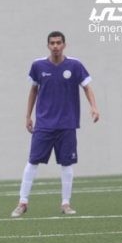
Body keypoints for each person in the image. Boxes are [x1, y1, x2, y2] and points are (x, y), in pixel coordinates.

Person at [11, 31, 99, 218]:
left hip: (67, 123)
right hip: (44, 123)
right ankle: (22, 202)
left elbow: (87, 87)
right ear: (48, 46)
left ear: (64, 45)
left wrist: (94, 107)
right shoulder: (38, 65)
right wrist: (28, 116)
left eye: (59, 43)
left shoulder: (75, 65)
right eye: (52, 43)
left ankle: (66, 203)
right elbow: (33, 90)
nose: (56, 46)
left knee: (67, 164)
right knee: (32, 161)